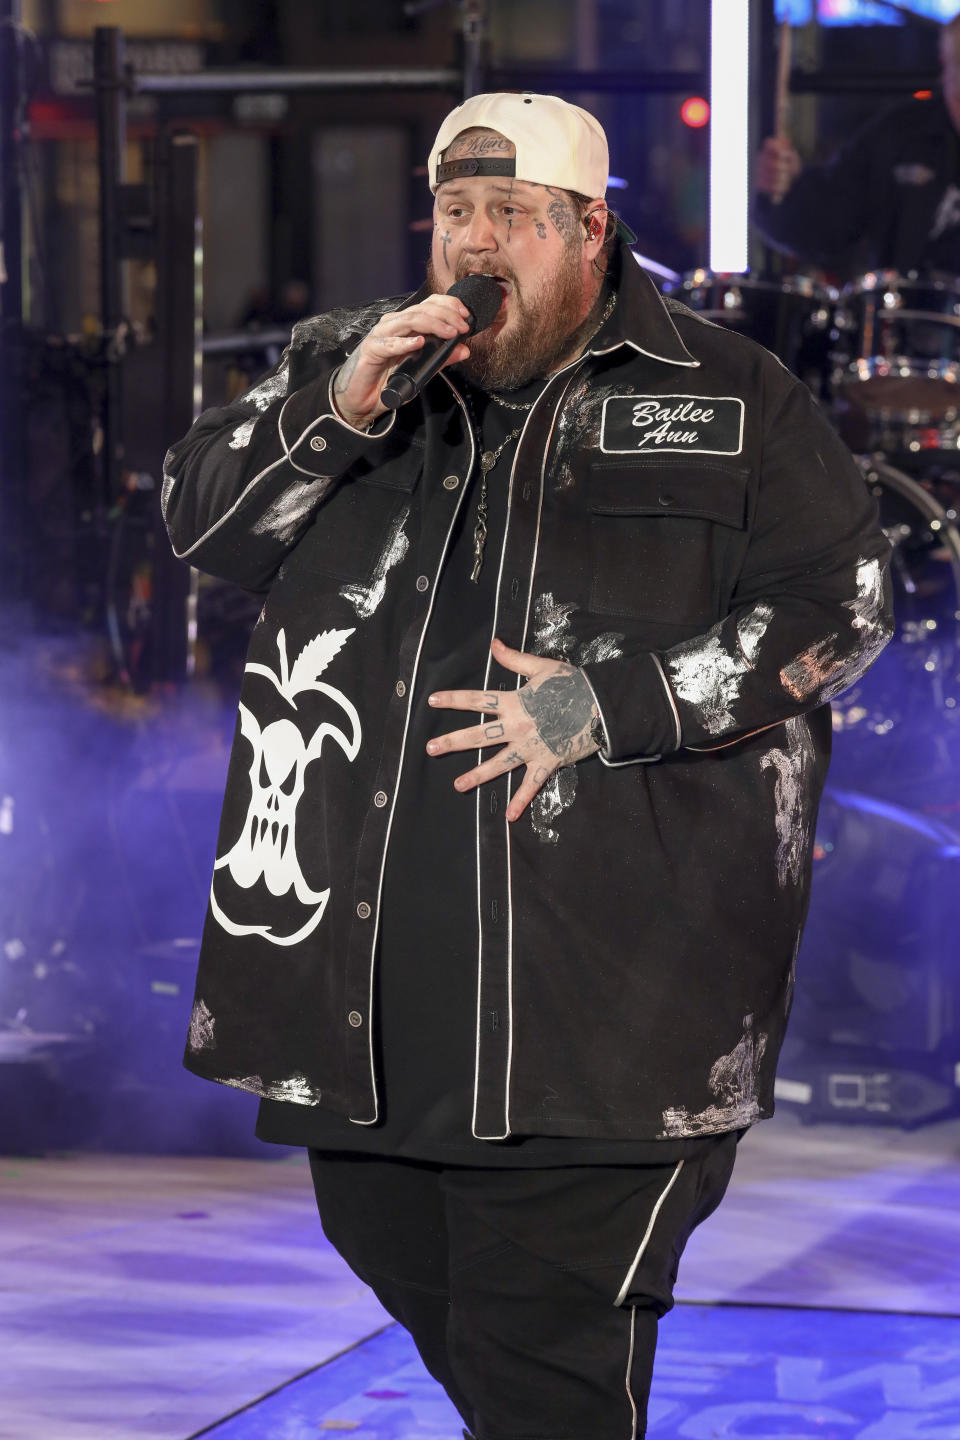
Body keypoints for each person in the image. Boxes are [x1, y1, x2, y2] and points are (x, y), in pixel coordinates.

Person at [163, 91, 892, 1440]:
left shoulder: (727, 394)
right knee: (442, 1298)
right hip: (365, 1019)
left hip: (614, 1019)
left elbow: (841, 603)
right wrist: (334, 409)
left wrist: (607, 706)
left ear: (587, 230)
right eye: (455, 212)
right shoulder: (361, 365)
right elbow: (200, 526)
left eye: (511, 215)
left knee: (544, 1359)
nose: (475, 242)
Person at [755, 14, 960, 275]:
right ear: (945, 67)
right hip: (909, 310)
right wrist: (787, 188)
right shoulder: (899, 134)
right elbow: (823, 227)